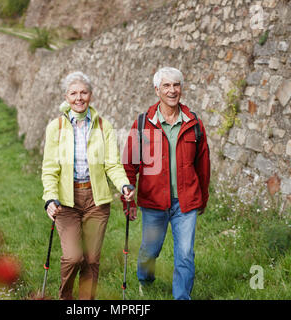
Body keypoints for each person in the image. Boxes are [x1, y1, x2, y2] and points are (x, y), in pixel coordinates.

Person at [42, 71, 135, 300]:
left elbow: (112, 164)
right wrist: (50, 199)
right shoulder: (57, 127)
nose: (79, 97)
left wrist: (123, 185)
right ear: (66, 96)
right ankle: (65, 297)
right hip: (66, 201)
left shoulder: (104, 126)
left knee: (92, 259)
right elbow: (50, 168)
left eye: (83, 92)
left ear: (91, 95)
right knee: (74, 257)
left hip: (96, 200)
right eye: (74, 93)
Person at [121, 67, 210, 300]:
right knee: (150, 251)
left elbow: (203, 166)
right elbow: (130, 165)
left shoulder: (194, 123)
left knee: (185, 254)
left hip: (186, 201)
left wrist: (203, 197)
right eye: (167, 86)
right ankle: (145, 281)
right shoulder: (143, 123)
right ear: (157, 89)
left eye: (176, 85)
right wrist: (127, 199)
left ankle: (181, 297)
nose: (173, 90)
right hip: (153, 202)